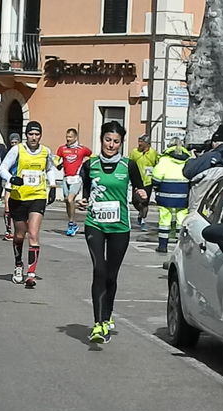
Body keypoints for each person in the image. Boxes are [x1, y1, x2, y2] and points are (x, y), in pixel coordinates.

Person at [78, 121, 146, 343]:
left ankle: (107, 316)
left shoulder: (129, 166)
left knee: (111, 274)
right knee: (99, 269)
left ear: (121, 143)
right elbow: (86, 192)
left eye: (116, 141)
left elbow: (139, 195)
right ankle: (97, 324)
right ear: (101, 139)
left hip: (120, 226)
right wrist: (83, 200)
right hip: (95, 223)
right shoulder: (90, 165)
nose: (111, 144)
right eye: (108, 140)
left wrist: (141, 198)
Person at [0, 121, 57, 289]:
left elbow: (49, 169)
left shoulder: (45, 151)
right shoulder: (17, 150)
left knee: (33, 233)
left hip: (37, 196)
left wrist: (52, 186)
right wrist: (11, 178)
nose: (34, 137)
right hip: (18, 197)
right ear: (26, 135)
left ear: (40, 135)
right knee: (19, 235)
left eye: (37, 134)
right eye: (31, 134)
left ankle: (31, 274)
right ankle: (18, 265)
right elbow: (3, 168)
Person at [151, 138, 192, 253]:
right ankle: (179, 245)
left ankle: (162, 246)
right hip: (183, 194)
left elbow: (156, 177)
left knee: (164, 220)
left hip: (165, 193)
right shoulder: (188, 159)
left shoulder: (164, 160)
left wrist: (156, 186)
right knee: (182, 219)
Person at [54, 128, 91, 236]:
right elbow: (56, 159)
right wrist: (58, 164)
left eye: (70, 137)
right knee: (67, 201)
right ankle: (72, 222)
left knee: (70, 199)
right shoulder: (62, 149)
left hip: (77, 178)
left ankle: (71, 223)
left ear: (75, 137)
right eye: (67, 137)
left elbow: (92, 156)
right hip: (66, 178)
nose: (68, 139)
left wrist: (87, 164)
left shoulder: (82, 149)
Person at [129, 134, 159, 231]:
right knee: (135, 201)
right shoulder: (135, 152)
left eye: (142, 142)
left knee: (145, 202)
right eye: (139, 142)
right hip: (137, 180)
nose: (139, 144)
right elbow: (130, 164)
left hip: (148, 181)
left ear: (147, 144)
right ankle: (140, 212)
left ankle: (142, 218)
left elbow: (157, 164)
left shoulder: (153, 153)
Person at [1, 133, 21, 240]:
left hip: (21, 183)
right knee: (7, 207)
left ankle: (20, 228)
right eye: (12, 143)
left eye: (16, 142)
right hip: (10, 181)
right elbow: (4, 167)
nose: (14, 145)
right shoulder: (9, 153)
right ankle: (8, 230)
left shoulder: (23, 152)